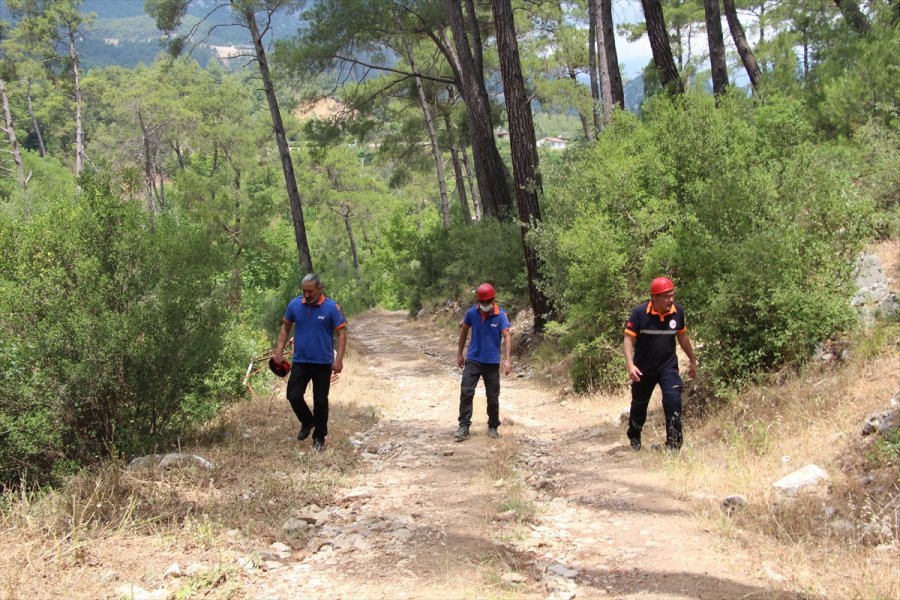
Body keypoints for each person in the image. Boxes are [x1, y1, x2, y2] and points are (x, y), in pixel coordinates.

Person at [273, 273, 347, 453]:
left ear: (319, 289)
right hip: (301, 361)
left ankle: (319, 437)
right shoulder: (294, 305)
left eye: (310, 291)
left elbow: (342, 333)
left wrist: (339, 360)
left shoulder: (331, 307)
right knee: (293, 395)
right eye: (304, 291)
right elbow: (285, 329)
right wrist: (278, 352)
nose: (306, 295)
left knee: (320, 401)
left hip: (323, 363)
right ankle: (307, 421)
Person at [623, 276, 697, 450]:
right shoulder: (639, 313)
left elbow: (683, 338)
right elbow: (628, 339)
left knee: (673, 399)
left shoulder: (678, 312)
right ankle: (634, 436)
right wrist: (630, 365)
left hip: (668, 367)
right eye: (666, 296)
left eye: (672, 295)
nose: (670, 300)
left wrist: (692, 359)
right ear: (654, 297)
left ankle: (674, 444)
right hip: (643, 369)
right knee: (639, 405)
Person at [455, 283, 512, 441]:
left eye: (488, 301)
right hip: (473, 359)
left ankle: (493, 426)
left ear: (493, 299)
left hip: (491, 362)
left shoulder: (500, 315)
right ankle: (463, 426)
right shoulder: (472, 313)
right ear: (478, 300)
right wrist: (460, 353)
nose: (485, 304)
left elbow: (507, 336)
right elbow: (464, 331)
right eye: (482, 301)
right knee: (466, 392)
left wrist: (507, 359)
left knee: (493, 397)